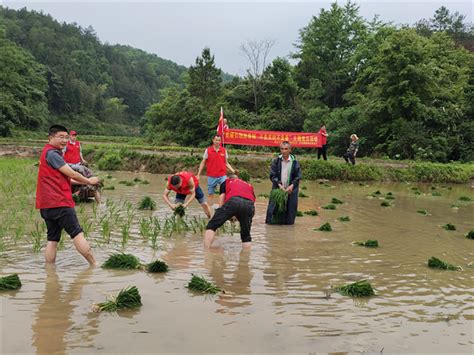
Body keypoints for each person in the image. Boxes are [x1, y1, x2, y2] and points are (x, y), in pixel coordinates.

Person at [36, 125, 99, 265]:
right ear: (50, 138)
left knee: (52, 239)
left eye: (66, 137)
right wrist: (89, 180)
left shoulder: (47, 153)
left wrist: (81, 183)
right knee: (77, 233)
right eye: (60, 137)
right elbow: (70, 172)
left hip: (46, 205)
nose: (64, 140)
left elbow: (65, 178)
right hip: (60, 203)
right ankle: (95, 266)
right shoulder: (53, 154)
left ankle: (50, 272)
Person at [204, 175, 255, 249]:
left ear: (228, 178)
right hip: (249, 204)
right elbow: (252, 208)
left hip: (234, 200)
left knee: (212, 225)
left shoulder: (226, 182)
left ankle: (206, 252)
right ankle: (246, 258)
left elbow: (222, 198)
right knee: (246, 236)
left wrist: (223, 213)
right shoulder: (249, 186)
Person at [265, 141, 302, 225]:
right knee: (273, 208)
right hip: (278, 188)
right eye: (282, 149)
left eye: (286, 149)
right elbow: (272, 175)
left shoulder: (295, 162)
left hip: (291, 190)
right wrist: (279, 185)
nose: (284, 151)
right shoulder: (276, 161)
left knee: (290, 210)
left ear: (290, 150)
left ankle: (288, 228)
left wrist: (292, 186)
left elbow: (298, 176)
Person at [197, 135, 236, 206]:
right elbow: (203, 162)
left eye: (219, 140)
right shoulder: (208, 150)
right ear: (213, 140)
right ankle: (210, 209)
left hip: (222, 176)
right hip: (211, 176)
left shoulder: (224, 150)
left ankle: (222, 207)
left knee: (224, 192)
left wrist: (233, 170)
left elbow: (226, 163)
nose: (218, 142)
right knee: (211, 194)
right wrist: (198, 174)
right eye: (216, 140)